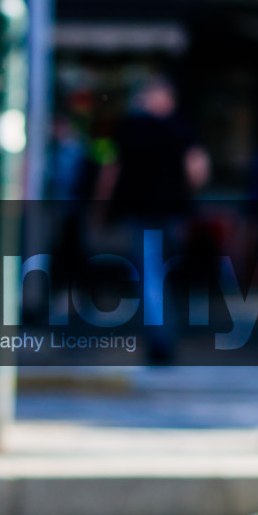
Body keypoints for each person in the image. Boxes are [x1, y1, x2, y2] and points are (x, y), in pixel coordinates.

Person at [92, 74, 209, 363]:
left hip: (143, 213)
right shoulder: (181, 128)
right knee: (163, 275)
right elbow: (197, 170)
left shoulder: (130, 127)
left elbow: (110, 172)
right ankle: (164, 334)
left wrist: (101, 208)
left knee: (152, 277)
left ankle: (161, 339)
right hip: (173, 213)